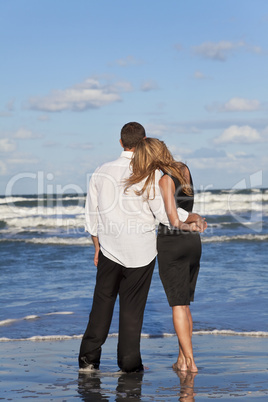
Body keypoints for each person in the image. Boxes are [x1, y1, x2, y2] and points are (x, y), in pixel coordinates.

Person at [79, 123, 203, 373]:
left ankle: (88, 361)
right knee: (132, 310)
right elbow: (164, 215)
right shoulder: (151, 173)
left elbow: (91, 216)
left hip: (109, 250)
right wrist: (192, 217)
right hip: (141, 252)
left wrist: (96, 247)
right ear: (144, 140)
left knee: (101, 304)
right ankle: (129, 363)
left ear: (120, 142)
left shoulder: (100, 171)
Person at [125, 138, 207, 373]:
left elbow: (173, 220)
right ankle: (181, 359)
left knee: (178, 305)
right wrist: (195, 220)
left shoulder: (162, 180)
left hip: (172, 243)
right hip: (193, 246)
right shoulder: (183, 169)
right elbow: (187, 208)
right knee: (185, 304)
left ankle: (190, 363)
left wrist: (188, 224)